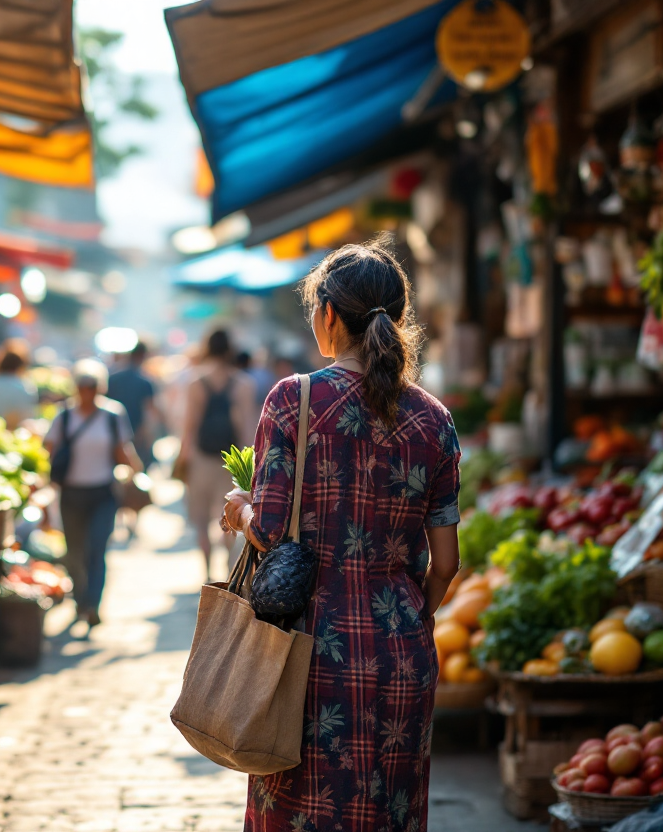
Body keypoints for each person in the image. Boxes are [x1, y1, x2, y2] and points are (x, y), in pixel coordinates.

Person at [221, 241, 461, 832]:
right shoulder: (435, 419)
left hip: (306, 653)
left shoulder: (293, 399)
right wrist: (410, 617)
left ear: (329, 314)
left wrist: (239, 513)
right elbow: (448, 563)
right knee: (390, 813)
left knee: (299, 814)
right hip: (402, 653)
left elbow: (272, 532)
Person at [43, 359, 142, 631]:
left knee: (96, 550)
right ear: (75, 388)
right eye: (83, 386)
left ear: (100, 388)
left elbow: (123, 450)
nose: (87, 391)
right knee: (74, 552)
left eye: (93, 386)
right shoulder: (63, 417)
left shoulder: (113, 415)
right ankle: (80, 600)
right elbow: (48, 451)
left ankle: (92, 606)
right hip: (71, 493)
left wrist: (136, 472)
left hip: (103, 493)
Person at [177, 328, 256, 579]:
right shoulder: (242, 383)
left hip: (201, 458)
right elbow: (246, 428)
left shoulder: (195, 382)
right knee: (231, 511)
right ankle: (227, 560)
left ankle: (207, 569)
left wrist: (183, 457)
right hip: (230, 461)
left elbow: (190, 425)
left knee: (201, 518)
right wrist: (249, 466)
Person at [107, 341, 158, 471]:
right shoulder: (145, 381)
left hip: (112, 431)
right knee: (136, 470)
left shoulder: (113, 377)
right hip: (135, 431)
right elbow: (149, 409)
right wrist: (147, 434)